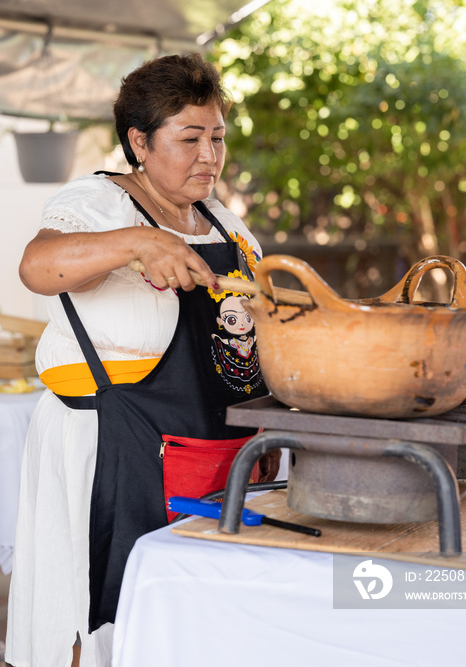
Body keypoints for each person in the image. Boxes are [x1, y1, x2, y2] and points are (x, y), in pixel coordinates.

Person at [6, 53, 279, 667]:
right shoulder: (99, 203)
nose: (210, 155)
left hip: (208, 451)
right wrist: (138, 241)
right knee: (93, 615)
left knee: (183, 626)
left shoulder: (227, 226)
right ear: (139, 141)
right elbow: (37, 266)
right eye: (190, 138)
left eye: (217, 138)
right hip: (108, 450)